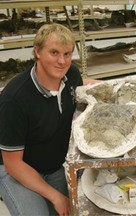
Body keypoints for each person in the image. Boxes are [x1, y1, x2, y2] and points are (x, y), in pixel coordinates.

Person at [0, 23, 97, 215]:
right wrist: (54, 196)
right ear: (37, 52)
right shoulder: (15, 100)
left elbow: (82, 85)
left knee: (76, 209)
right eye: (54, 53)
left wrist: (120, 85)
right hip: (18, 170)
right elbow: (13, 164)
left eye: (67, 54)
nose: (62, 61)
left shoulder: (70, 74)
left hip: (53, 166)